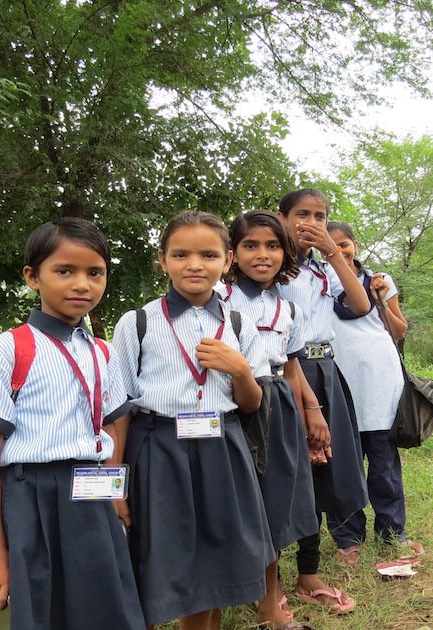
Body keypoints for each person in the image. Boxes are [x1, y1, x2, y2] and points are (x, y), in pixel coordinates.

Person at [0, 217, 145, 629]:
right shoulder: (6, 349)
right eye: (65, 271)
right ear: (32, 277)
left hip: (93, 492)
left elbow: (116, 422)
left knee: (105, 601)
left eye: (94, 273)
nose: (81, 284)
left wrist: (115, 487)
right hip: (32, 495)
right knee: (41, 604)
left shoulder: (103, 352)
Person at [105, 211, 274, 629]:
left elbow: (252, 404)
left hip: (222, 447)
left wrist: (239, 370)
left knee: (215, 557)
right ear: (161, 260)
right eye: (180, 254)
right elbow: (119, 409)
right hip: (158, 449)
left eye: (208, 254)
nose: (194, 264)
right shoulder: (138, 322)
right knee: (156, 551)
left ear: (227, 259)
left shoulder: (238, 323)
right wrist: (116, 486)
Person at [221, 210, 323, 630]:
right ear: (233, 254)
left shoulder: (288, 308)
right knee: (241, 501)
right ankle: (238, 590)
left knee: (276, 501)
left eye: (272, 245)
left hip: (277, 405)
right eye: (250, 245)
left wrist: (311, 413)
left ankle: (270, 603)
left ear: (285, 252)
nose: (262, 255)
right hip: (231, 405)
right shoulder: (218, 298)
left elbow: (293, 368)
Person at [277, 189, 371, 615]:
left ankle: (309, 572)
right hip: (285, 374)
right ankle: (270, 582)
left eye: (320, 215)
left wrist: (334, 252)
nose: (310, 222)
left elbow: (360, 302)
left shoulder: (322, 269)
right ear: (283, 217)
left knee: (325, 470)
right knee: (288, 469)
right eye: (302, 214)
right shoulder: (271, 263)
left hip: (325, 370)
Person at [326, 221, 425, 562]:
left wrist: (381, 301)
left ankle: (392, 534)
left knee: (384, 468)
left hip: (381, 384)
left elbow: (398, 332)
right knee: (343, 469)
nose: (339, 250)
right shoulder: (317, 283)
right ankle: (348, 540)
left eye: (344, 244)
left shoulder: (379, 280)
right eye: (331, 245)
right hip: (337, 386)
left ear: (354, 244)